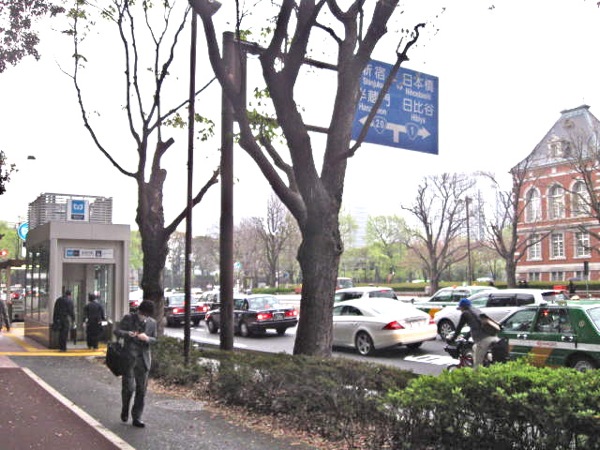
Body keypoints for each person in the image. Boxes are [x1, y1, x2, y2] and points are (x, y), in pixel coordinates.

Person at [114, 300, 157, 428]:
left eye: (147, 315)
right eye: (143, 314)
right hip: (129, 358)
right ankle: (125, 408)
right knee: (128, 388)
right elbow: (117, 331)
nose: (145, 316)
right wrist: (128, 334)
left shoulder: (152, 323)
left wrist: (147, 338)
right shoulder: (129, 318)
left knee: (141, 389)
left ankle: (137, 417)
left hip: (144, 360)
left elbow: (155, 339)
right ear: (140, 311)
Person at [450, 298, 499, 368]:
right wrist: (466, 337)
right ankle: (487, 361)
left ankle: (480, 371)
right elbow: (476, 327)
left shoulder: (465, 313)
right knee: (474, 347)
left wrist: (453, 339)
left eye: (460, 308)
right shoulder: (476, 311)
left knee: (477, 365)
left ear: (462, 307)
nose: (460, 310)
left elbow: (459, 328)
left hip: (483, 340)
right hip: (493, 336)